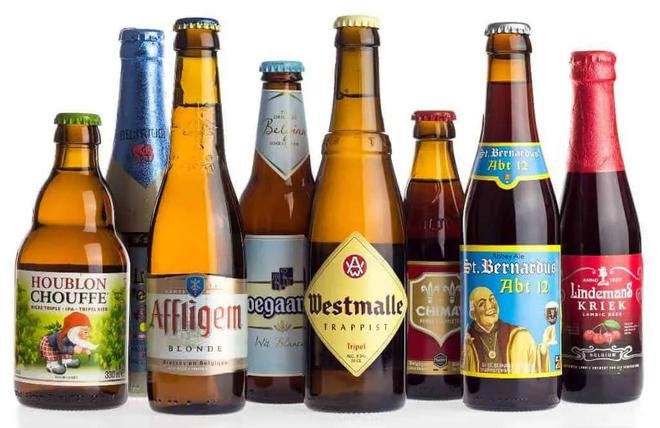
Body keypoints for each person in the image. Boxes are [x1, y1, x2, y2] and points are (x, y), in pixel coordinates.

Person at [463, 287, 554, 374]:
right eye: (481, 304)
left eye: (492, 299)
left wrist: (544, 346)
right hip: (477, 383)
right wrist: (466, 349)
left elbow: (534, 363)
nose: (490, 306)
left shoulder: (519, 335)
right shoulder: (468, 340)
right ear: (473, 314)